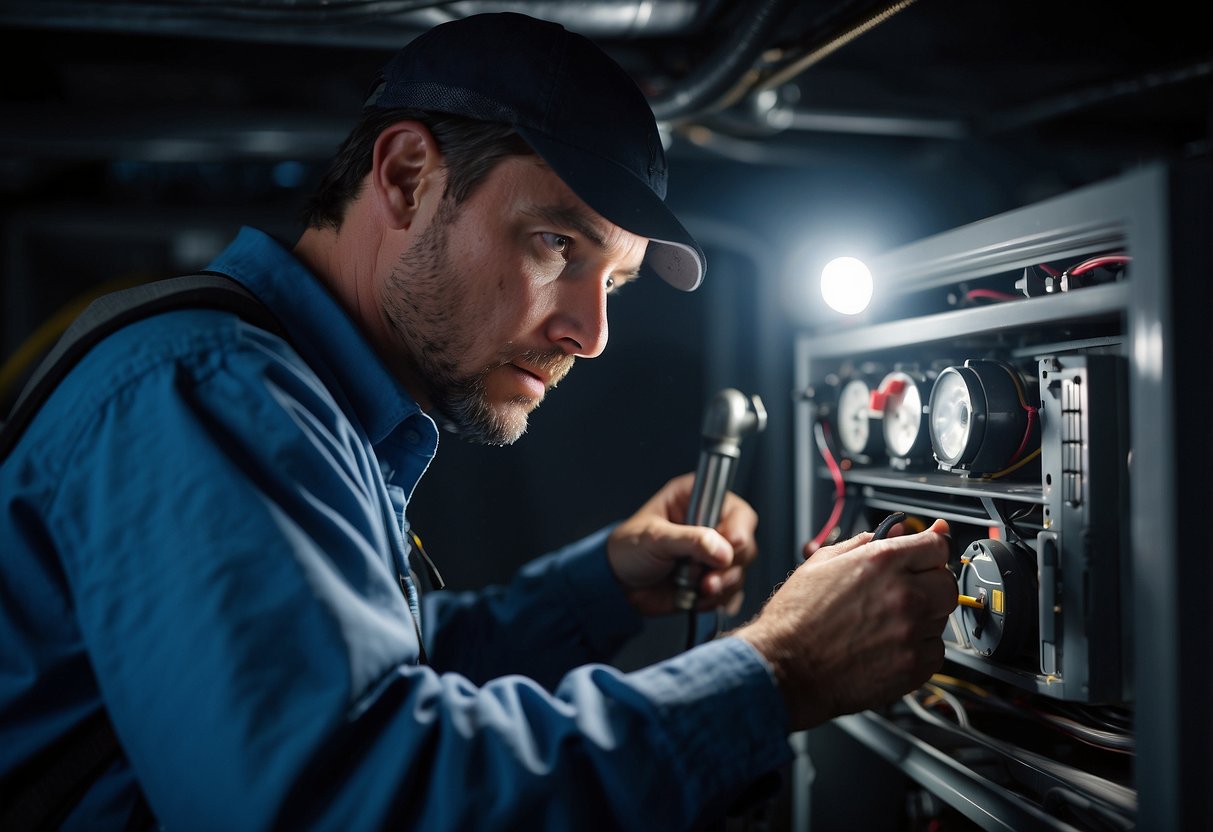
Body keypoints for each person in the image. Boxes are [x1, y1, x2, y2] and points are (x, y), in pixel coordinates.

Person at [0, 11, 957, 830]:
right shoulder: (211, 391)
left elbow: (370, 681)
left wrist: (598, 589)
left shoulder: (290, 397)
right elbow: (355, 799)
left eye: (614, 283)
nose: (590, 333)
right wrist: (776, 670)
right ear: (410, 177)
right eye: (555, 244)